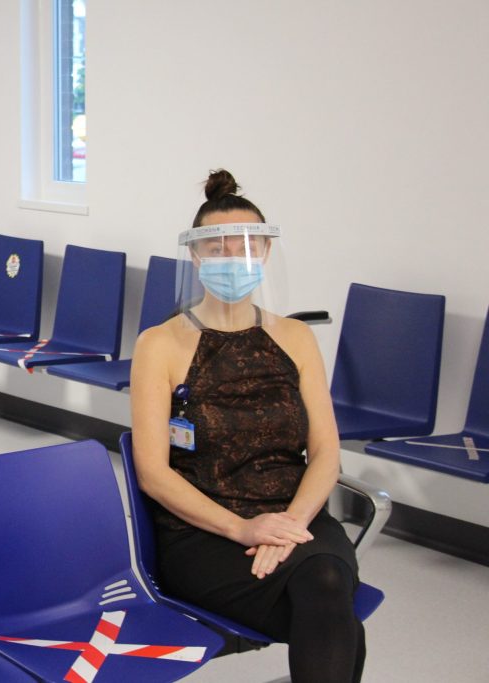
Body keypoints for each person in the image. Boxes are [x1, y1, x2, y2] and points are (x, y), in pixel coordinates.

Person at [130, 170, 365, 681]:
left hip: (294, 515)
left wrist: (290, 526)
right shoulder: (160, 345)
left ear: (265, 252)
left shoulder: (297, 338)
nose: (233, 259)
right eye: (218, 249)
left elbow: (326, 452)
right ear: (195, 256)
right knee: (334, 616)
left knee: (325, 585)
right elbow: (152, 472)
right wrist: (243, 528)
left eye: (246, 246)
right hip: (204, 528)